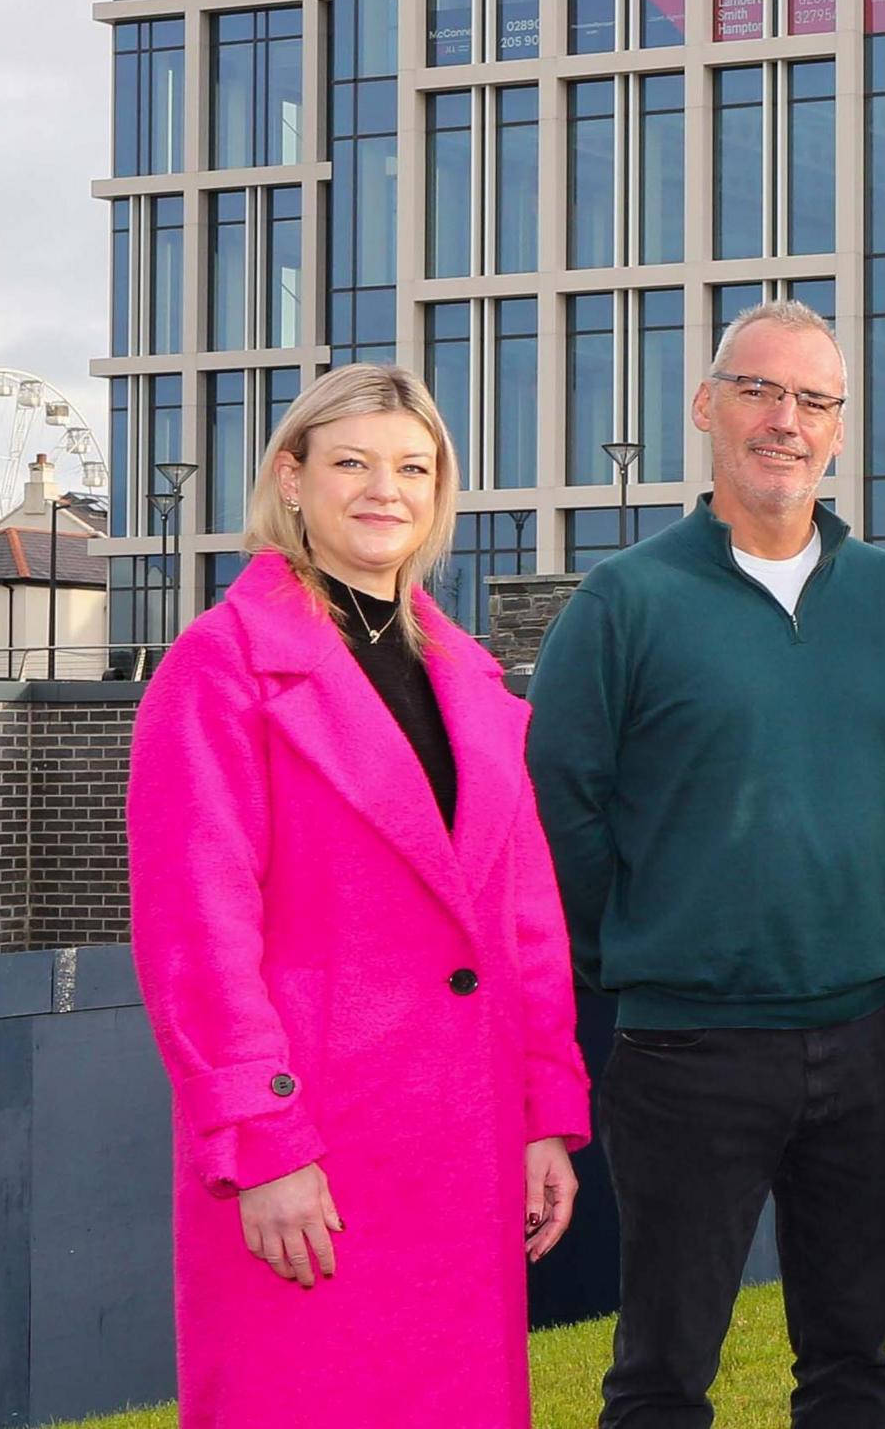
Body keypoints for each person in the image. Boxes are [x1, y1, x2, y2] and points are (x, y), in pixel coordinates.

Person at [126, 363, 589, 1428]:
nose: (386, 488)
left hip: (465, 1152)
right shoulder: (220, 668)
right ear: (291, 478)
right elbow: (197, 929)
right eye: (353, 462)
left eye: (413, 467)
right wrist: (263, 1145)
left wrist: (542, 1114)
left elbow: (524, 923)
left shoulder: (473, 681)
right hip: (316, 1157)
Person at [528, 300, 885, 1429]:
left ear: (842, 431)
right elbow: (558, 810)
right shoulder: (625, 601)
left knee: (854, 1362)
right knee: (664, 1372)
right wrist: (634, 952)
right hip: (686, 1047)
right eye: (761, 390)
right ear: (706, 405)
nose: (786, 419)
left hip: (868, 1037)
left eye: (814, 400)